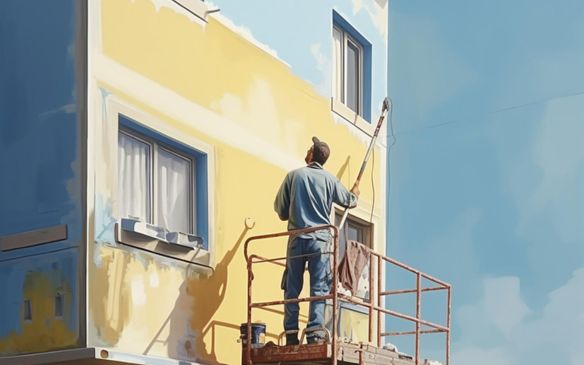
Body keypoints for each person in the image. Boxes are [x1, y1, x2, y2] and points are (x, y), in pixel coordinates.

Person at [274, 136, 359, 346]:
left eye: (309, 147)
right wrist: (355, 191)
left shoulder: (294, 176)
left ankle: (291, 334)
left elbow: (280, 210)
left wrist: (296, 209)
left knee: (292, 287)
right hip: (320, 241)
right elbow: (349, 201)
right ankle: (314, 333)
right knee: (319, 287)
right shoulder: (330, 180)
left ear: (312, 154)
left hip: (297, 238)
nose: (307, 149)